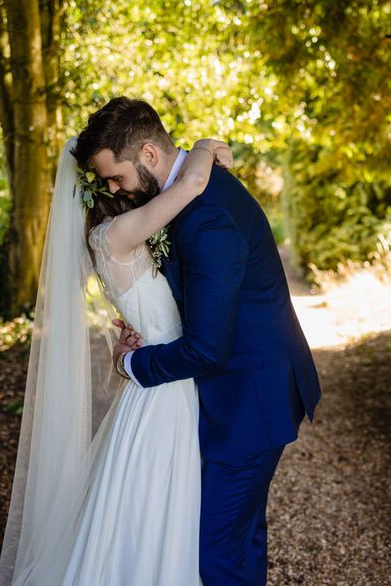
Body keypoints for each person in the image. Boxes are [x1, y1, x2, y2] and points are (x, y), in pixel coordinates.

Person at [81, 97, 322, 585]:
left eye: (117, 177)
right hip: (248, 387)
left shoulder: (204, 215)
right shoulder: (191, 191)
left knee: (216, 552)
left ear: (148, 155)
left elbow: (208, 349)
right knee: (240, 536)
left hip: (248, 399)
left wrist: (132, 364)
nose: (113, 190)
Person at [0, 121, 232, 583]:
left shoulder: (110, 237)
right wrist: (204, 145)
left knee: (146, 503)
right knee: (156, 503)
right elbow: (193, 182)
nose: (117, 185)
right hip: (165, 387)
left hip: (159, 377)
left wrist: (128, 347)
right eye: (111, 180)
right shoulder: (120, 232)